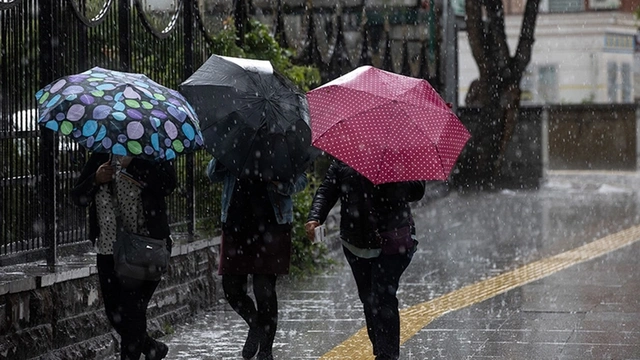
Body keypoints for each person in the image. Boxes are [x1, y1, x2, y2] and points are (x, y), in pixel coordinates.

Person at [305, 159, 425, 360]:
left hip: (393, 239)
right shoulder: (343, 159)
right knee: (368, 299)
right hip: (356, 242)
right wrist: (315, 216)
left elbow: (418, 190)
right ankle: (380, 347)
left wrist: (390, 180)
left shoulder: (399, 154)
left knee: (383, 294)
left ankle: (387, 355)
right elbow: (327, 190)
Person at [71, 152, 176, 360]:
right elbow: (78, 197)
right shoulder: (101, 157)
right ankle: (152, 348)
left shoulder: (153, 153)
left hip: (144, 249)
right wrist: (95, 179)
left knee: (132, 311)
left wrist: (135, 164)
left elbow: (168, 185)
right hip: (108, 251)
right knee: (115, 314)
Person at [206, 158, 308, 360]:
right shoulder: (234, 138)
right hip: (236, 225)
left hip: (272, 225)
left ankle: (266, 351)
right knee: (232, 289)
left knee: (264, 291)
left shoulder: (281, 141)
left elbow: (301, 179)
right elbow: (212, 175)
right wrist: (222, 159)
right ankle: (255, 325)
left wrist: (281, 184)